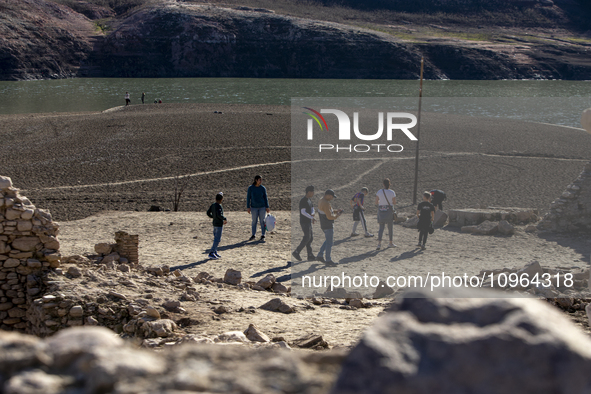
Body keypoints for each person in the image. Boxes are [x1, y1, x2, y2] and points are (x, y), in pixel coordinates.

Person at [317, 189, 343, 267]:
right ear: (328, 195)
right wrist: (337, 215)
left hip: (323, 225)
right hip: (328, 225)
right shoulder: (325, 203)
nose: (332, 198)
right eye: (331, 196)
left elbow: (327, 211)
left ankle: (320, 255)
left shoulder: (321, 200)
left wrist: (335, 211)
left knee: (328, 240)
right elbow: (330, 217)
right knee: (329, 243)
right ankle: (328, 260)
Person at [292, 186, 316, 262]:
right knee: (307, 238)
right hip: (304, 222)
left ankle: (310, 255)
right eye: (312, 191)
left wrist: (312, 214)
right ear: (309, 192)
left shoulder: (309, 200)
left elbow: (312, 208)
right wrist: (311, 217)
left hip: (308, 221)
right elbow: (303, 212)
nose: (313, 193)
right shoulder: (303, 201)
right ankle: (297, 252)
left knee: (310, 238)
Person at [246, 175, 270, 242]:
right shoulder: (250, 188)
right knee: (254, 221)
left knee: (262, 221)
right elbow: (248, 198)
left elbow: (265, 197)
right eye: (259, 180)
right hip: (254, 207)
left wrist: (267, 207)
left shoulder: (263, 188)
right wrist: (248, 207)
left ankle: (263, 235)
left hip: (262, 207)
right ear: (256, 180)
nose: (261, 181)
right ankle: (253, 235)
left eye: (261, 180)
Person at [375, 178, 397, 250]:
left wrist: (381, 203)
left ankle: (379, 244)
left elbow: (376, 202)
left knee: (381, 228)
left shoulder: (379, 192)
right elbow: (394, 202)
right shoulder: (392, 192)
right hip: (389, 210)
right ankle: (390, 242)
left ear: (383, 184)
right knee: (390, 227)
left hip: (381, 210)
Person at [206, 192, 227, 259]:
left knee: (215, 238)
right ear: (221, 199)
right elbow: (219, 215)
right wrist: (224, 218)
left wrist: (213, 217)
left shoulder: (213, 205)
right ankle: (211, 252)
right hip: (219, 224)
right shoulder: (219, 206)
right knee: (217, 239)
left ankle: (215, 251)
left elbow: (208, 213)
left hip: (214, 223)